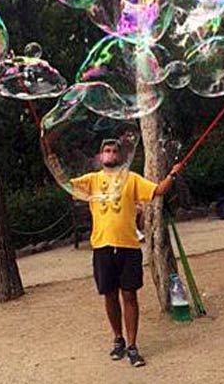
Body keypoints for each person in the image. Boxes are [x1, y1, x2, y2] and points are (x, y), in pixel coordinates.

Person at [69, 139, 181, 367]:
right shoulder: (92, 180)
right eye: (106, 150)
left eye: (114, 150)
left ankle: (132, 345)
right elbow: (69, 187)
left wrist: (173, 174)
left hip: (129, 246)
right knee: (109, 295)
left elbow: (158, 190)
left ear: (120, 156)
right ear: (101, 157)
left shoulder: (131, 178)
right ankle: (118, 339)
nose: (110, 153)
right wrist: (52, 157)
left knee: (130, 296)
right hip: (102, 246)